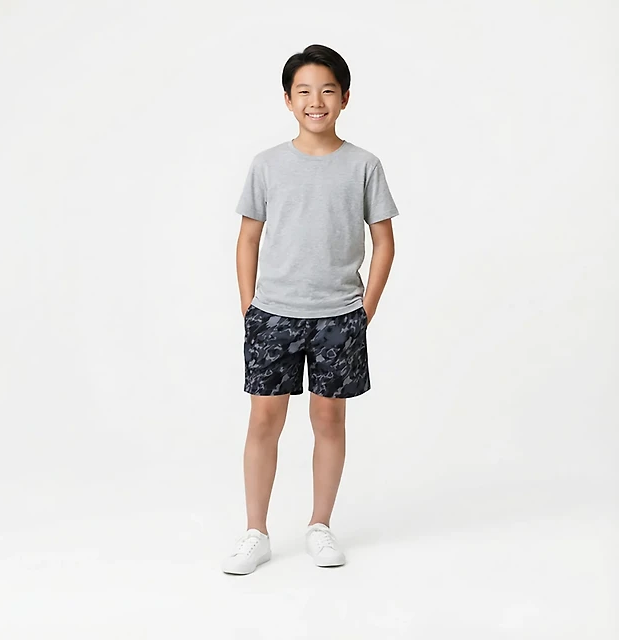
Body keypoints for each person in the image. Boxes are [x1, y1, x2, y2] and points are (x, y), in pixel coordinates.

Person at [222, 44, 399, 575]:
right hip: (273, 314)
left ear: (345, 98)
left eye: (327, 90)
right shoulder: (267, 164)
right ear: (287, 99)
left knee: (328, 418)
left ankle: (320, 525)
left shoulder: (364, 165)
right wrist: (249, 306)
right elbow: (248, 237)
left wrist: (365, 309)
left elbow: (384, 241)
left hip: (339, 317)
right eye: (303, 91)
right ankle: (256, 532)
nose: (315, 101)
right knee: (264, 419)